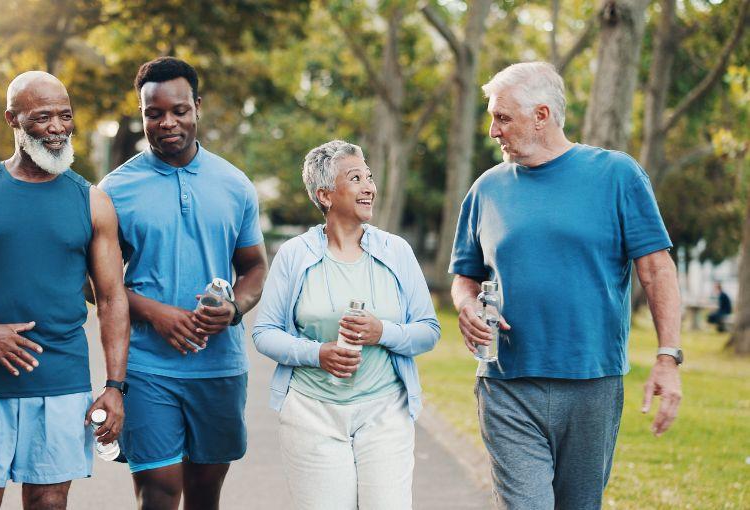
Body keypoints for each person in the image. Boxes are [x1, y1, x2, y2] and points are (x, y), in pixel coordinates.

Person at [449, 62, 683, 509]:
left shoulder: (617, 175)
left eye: (503, 117)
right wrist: (466, 306)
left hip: (592, 384)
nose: (493, 130)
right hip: (507, 384)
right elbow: (466, 275)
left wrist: (668, 357)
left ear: (542, 115)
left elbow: (656, 269)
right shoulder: (486, 189)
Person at [0, 71, 130, 510]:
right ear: (12, 120)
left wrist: (114, 386)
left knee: (48, 504)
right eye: (42, 118)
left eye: (65, 116)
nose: (57, 128)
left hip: (62, 381)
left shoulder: (92, 202)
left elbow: (111, 299)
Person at [98, 57, 268, 510]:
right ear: (142, 116)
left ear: (197, 107)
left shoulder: (236, 185)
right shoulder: (114, 191)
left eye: (178, 110)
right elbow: (95, 283)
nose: (167, 122)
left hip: (220, 369)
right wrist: (156, 314)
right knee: (159, 491)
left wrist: (234, 309)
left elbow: (254, 267)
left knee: (205, 493)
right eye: (153, 114)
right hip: (148, 367)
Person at [252, 140, 440, 510]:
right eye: (356, 178)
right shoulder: (295, 255)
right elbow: (264, 332)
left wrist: (381, 332)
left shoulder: (396, 251)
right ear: (325, 195)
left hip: (385, 412)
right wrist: (317, 353)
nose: (369, 186)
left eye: (368, 177)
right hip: (312, 414)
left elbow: (428, 329)